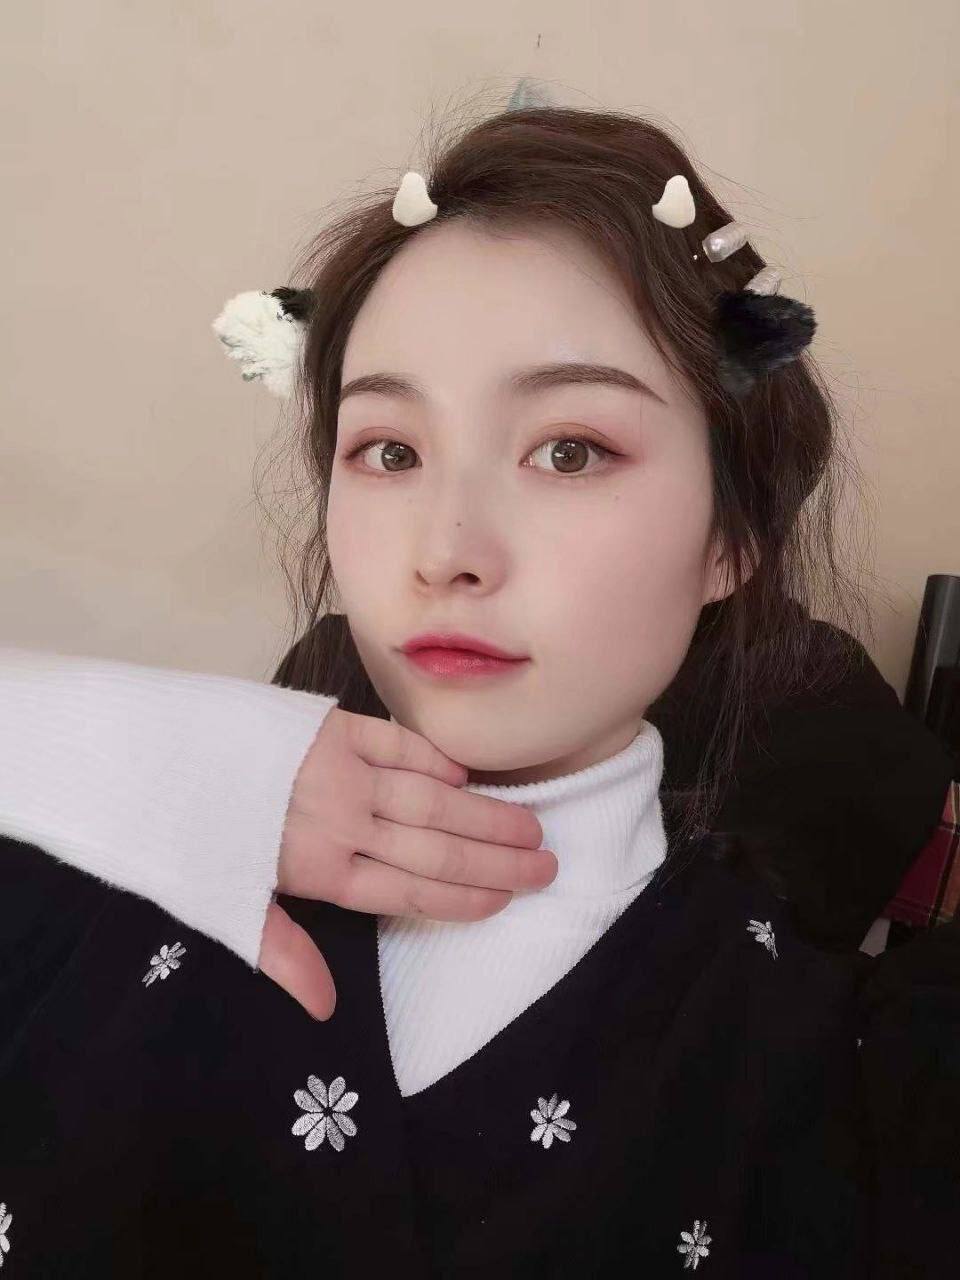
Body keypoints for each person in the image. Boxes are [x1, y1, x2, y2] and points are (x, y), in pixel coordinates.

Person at [1, 99, 958, 1277]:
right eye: (390, 450)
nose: (446, 549)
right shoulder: (95, 870)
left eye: (570, 449)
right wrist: (126, 749)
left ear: (733, 536)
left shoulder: (834, 1072)